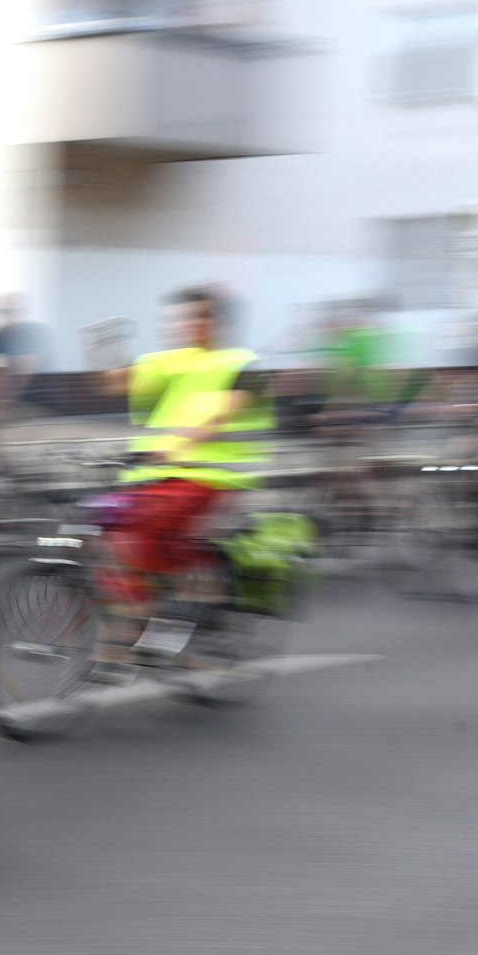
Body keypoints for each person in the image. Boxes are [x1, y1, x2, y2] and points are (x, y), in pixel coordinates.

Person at [106, 286, 271, 671]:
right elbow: (122, 385)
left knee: (148, 529)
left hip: (212, 476)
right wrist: (112, 360)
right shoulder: (166, 362)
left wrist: (183, 441)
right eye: (184, 317)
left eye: (202, 316)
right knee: (108, 527)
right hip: (156, 474)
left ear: (221, 322)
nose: (191, 324)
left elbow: (226, 412)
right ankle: (143, 616)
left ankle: (162, 620)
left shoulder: (243, 363)